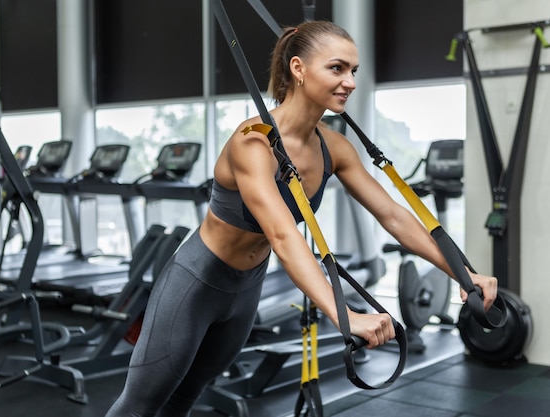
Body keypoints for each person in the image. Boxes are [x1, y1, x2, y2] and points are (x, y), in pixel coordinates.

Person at [105, 20, 498, 417]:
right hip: (196, 283)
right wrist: (344, 315)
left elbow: (393, 215)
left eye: (354, 71)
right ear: (298, 68)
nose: (350, 81)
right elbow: (282, 235)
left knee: (184, 400)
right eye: (337, 68)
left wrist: (463, 273)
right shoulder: (253, 141)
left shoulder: (335, 147)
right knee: (140, 405)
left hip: (244, 291)